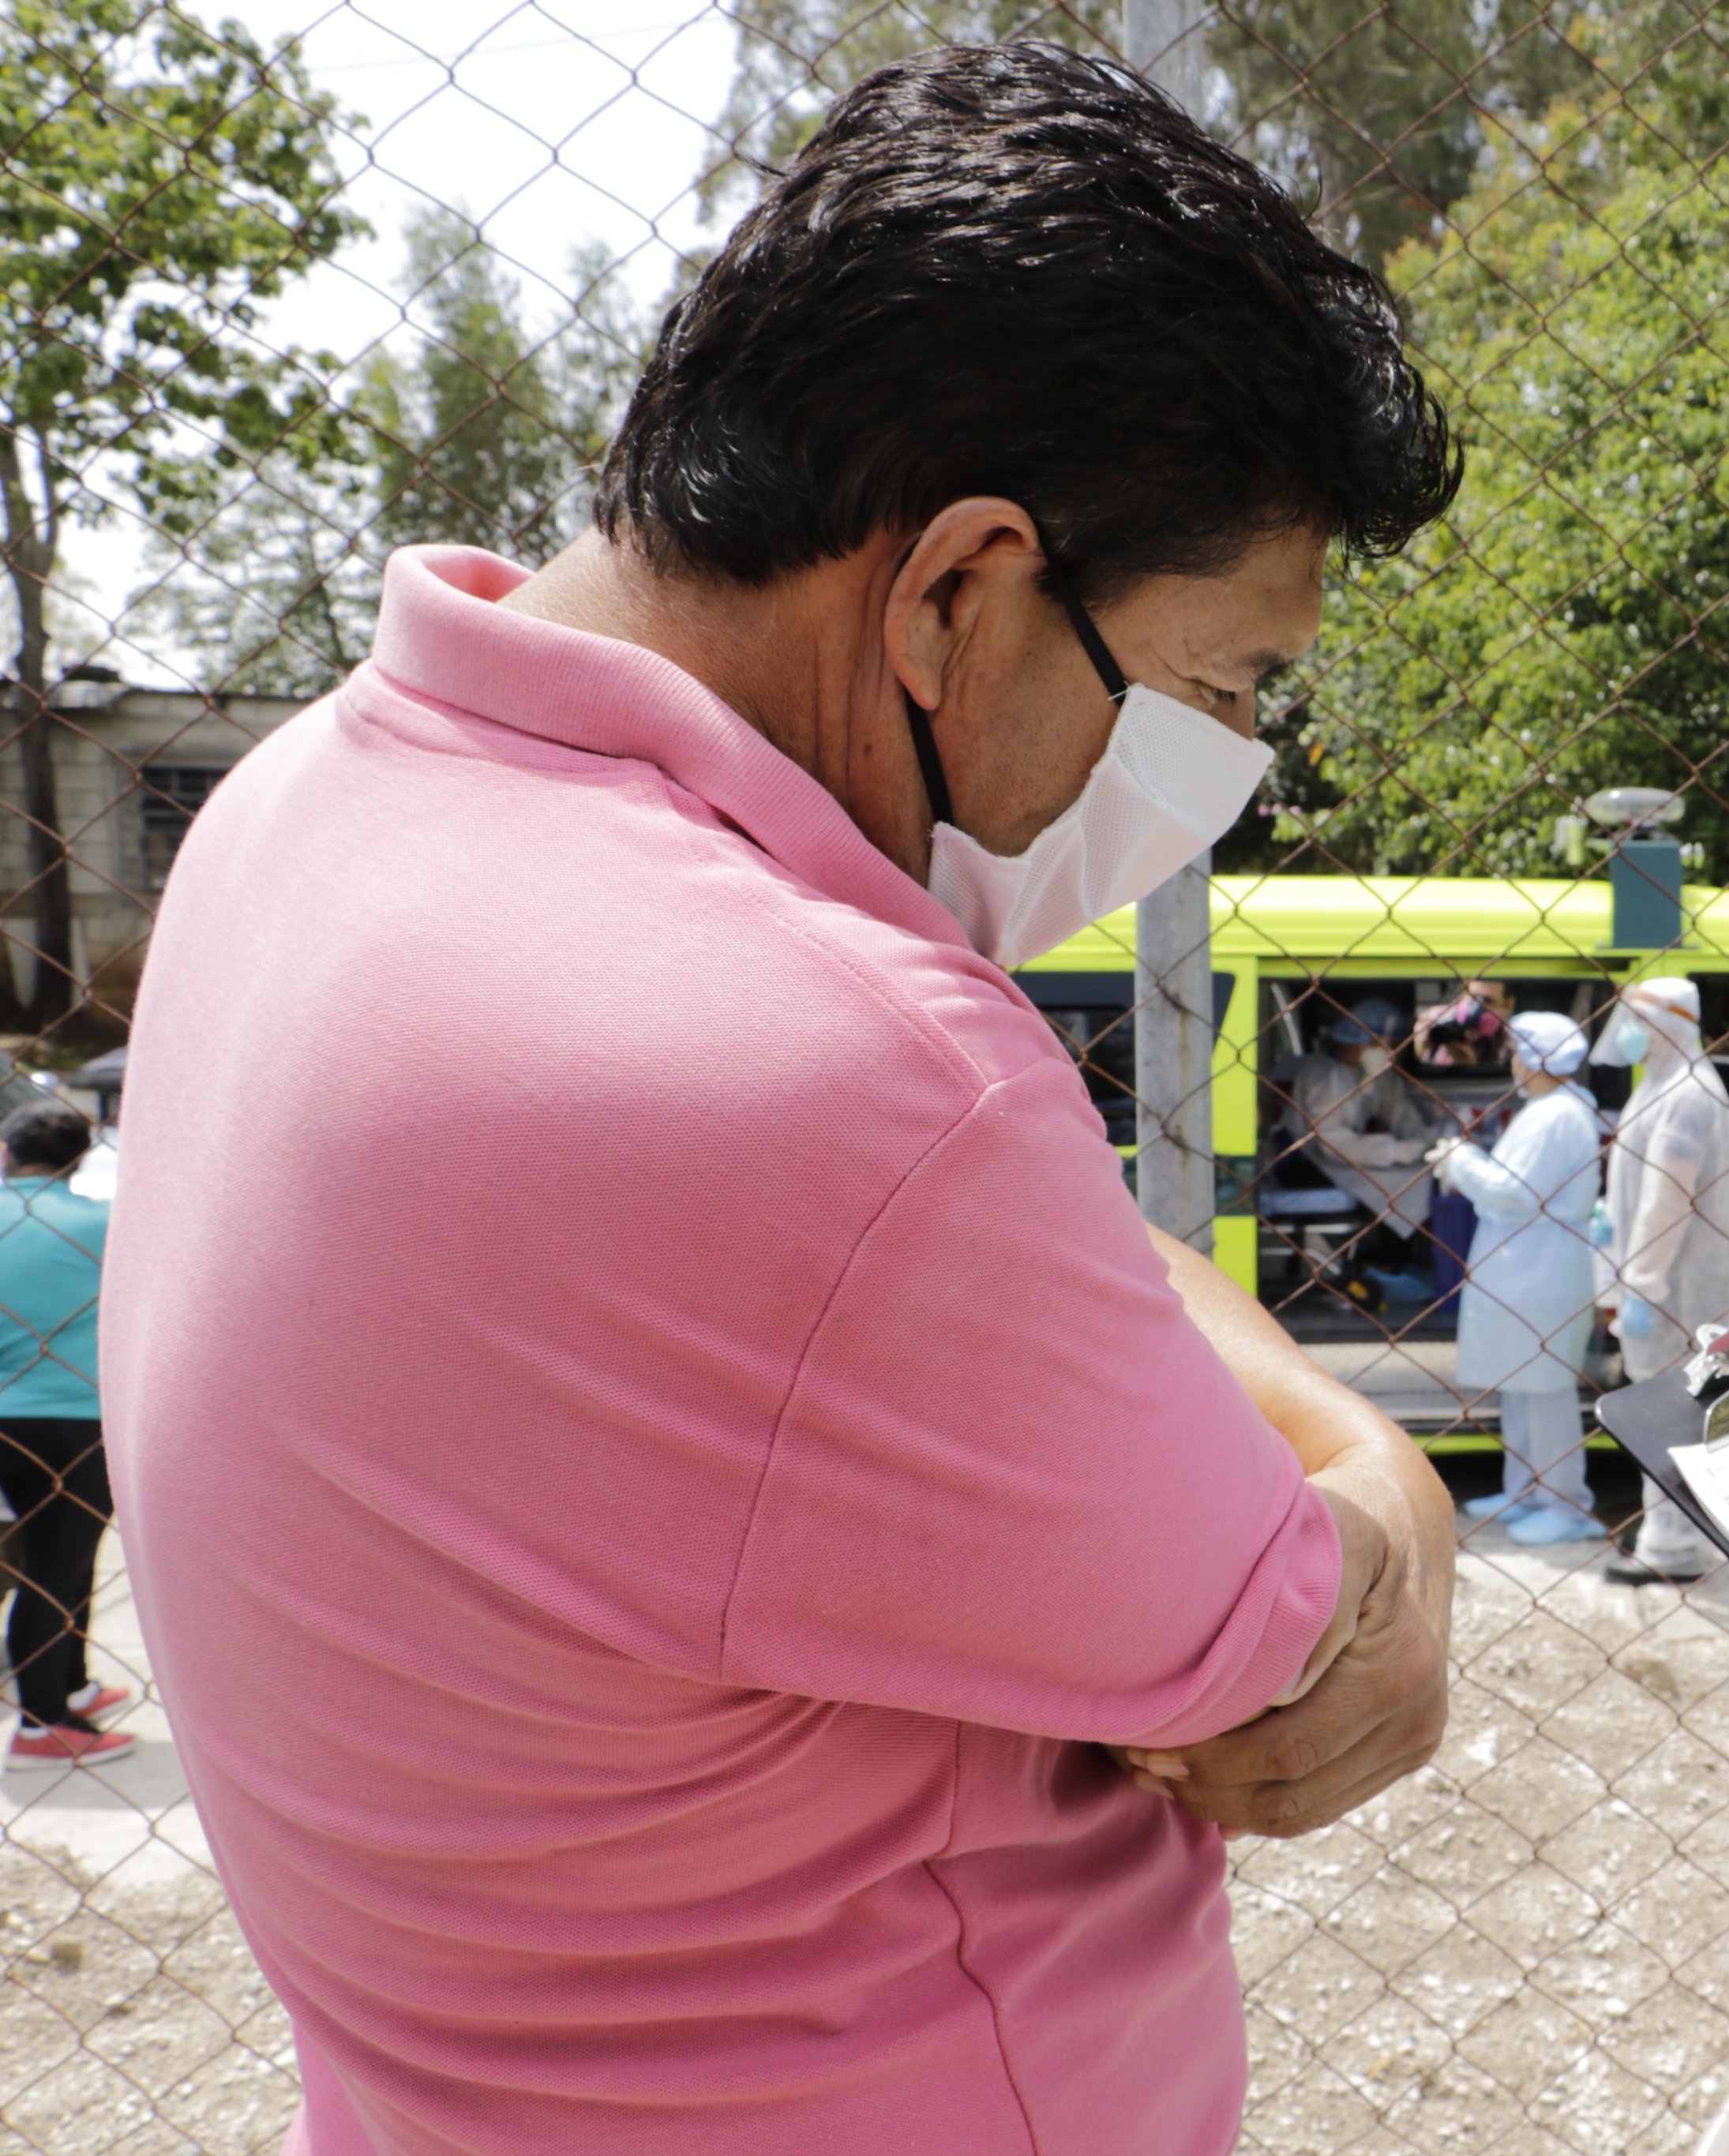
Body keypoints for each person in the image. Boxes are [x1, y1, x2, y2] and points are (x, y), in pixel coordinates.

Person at [106, 47, 1463, 2155]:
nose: (1222, 767)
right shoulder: (836, 1076)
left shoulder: (300, 811)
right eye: (1219, 684)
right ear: (954, 591)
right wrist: (1391, 1478)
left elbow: (1038, 1262)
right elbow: (1280, 1643)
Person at [1595, 978, 1729, 1583]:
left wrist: (1642, 1283)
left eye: (1637, 1020)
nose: (1626, 1033)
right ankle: (1668, 1532)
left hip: (1679, 1290)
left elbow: (1666, 1202)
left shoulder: (1687, 1094)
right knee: (1671, 1413)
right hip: (1670, 1283)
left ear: (1669, 1024)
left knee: (1672, 1414)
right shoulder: (1661, 1084)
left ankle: (1674, 1546)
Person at [1430, 1011, 1603, 1546]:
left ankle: (1567, 1504)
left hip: (1541, 1264)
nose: (1511, 1062)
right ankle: (1525, 1490)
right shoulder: (1549, 1110)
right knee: (1521, 1385)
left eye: (1517, 1052)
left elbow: (1514, 1191)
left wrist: (1461, 1161)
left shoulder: (1557, 1116)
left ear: (1536, 1058)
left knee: (1546, 1389)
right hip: (1526, 1264)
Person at [0, 1100, 130, 1765]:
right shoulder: (103, 1225)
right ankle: (40, 1724)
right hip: (78, 1416)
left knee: (55, 1561)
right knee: (61, 1565)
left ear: (6, 1153)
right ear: (80, 1159)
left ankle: (72, 1687)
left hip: (7, 1412)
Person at [1286, 996, 1449, 1290]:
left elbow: (1396, 1110)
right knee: (1403, 1183)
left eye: (1392, 1045)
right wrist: (1394, 1151)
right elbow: (1331, 1142)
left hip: (1351, 1157)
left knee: (1417, 1176)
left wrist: (1425, 1140)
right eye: (1377, 1044)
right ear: (1353, 1041)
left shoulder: (1375, 1075)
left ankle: (1399, 1264)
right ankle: (1384, 1266)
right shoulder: (1324, 1075)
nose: (1386, 1052)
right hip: (1309, 1161)